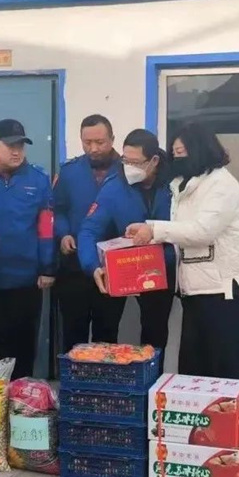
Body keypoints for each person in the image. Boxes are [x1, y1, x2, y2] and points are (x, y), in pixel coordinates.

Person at [126, 125, 239, 460]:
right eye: (175, 153)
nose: (178, 158)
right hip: (196, 289)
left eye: (183, 153)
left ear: (201, 150)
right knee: (196, 368)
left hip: (227, 289)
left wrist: (154, 229)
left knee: (231, 368)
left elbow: (202, 231)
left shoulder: (221, 184)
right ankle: (209, 438)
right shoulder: (183, 185)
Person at [0, 119, 55, 380]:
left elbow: (46, 227)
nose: (17, 152)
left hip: (26, 280)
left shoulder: (38, 179)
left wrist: (47, 266)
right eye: (10, 146)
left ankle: (21, 399)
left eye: (21, 146)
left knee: (24, 345)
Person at [78, 128, 176, 357]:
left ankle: (152, 377)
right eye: (125, 160)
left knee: (155, 335)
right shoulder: (115, 187)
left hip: (160, 270)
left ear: (153, 161)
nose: (128, 167)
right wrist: (93, 266)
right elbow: (89, 230)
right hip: (120, 267)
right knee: (105, 331)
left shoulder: (174, 186)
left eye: (135, 162)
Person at [53, 114, 124, 352]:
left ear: (112, 139)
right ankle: (73, 377)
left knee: (107, 335)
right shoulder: (70, 171)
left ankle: (104, 377)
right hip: (74, 267)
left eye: (100, 142)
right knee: (73, 335)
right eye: (87, 142)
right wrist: (63, 233)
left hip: (113, 267)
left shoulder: (126, 171)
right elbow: (57, 210)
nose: (93, 148)